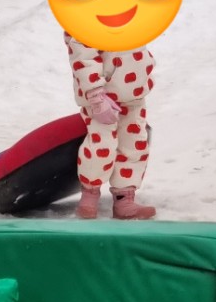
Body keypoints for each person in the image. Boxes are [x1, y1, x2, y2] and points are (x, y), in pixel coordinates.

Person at [65, 32, 156, 220]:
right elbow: (83, 56)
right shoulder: (86, 22)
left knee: (134, 145)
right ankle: (89, 195)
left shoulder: (135, 19)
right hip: (102, 95)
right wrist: (95, 94)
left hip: (133, 93)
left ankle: (124, 199)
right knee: (101, 145)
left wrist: (145, 71)